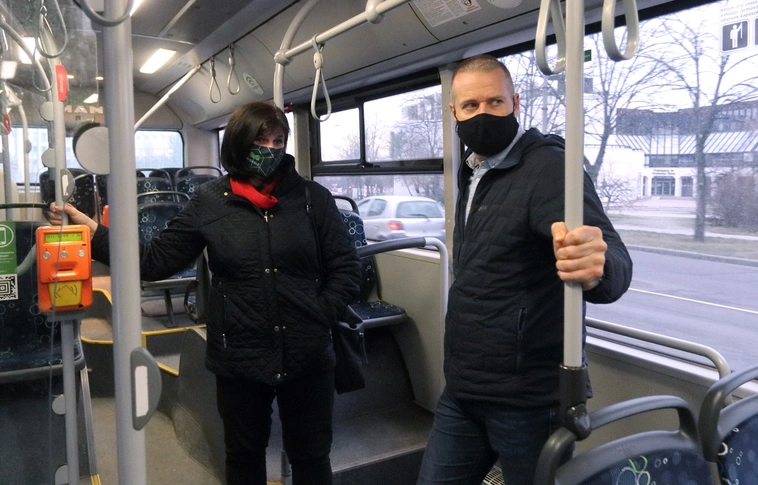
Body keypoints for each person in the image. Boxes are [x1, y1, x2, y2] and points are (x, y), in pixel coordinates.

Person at [49, 102, 361, 485]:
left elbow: (346, 269)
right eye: (260, 140)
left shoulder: (313, 199)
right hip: (240, 356)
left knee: (312, 459)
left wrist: (319, 314)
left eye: (278, 141)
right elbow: (154, 261)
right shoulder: (210, 201)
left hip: (307, 354)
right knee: (244, 458)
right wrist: (95, 233)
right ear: (239, 144)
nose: (270, 149)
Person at [416, 55, 633, 485]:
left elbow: (616, 264)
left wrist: (598, 268)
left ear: (515, 103)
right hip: (464, 386)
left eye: (495, 102)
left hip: (527, 398)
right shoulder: (473, 169)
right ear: (454, 112)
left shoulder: (550, 167)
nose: (483, 115)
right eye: (471, 105)